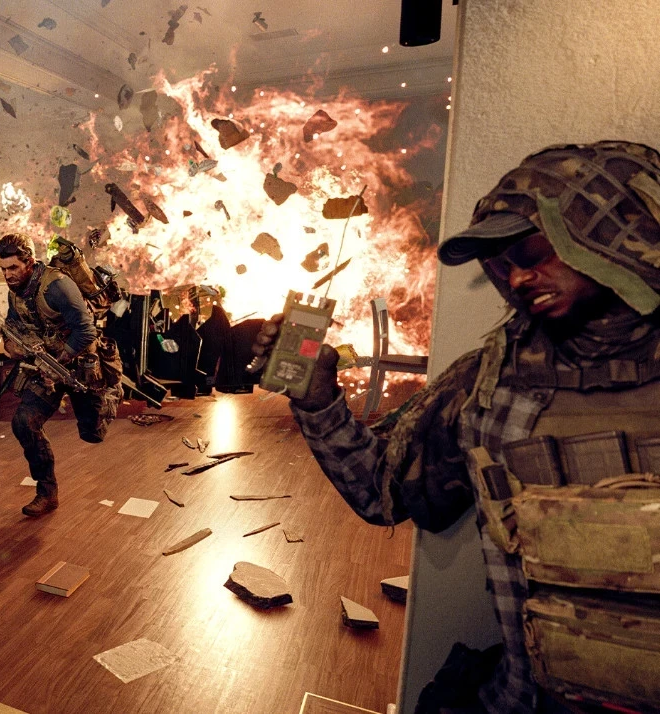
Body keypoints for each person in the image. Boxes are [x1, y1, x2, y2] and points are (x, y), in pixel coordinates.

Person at [251, 141, 660, 713]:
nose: (518, 277)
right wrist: (318, 398)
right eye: (503, 262)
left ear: (617, 240)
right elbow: (383, 491)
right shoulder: (492, 385)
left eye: (534, 251)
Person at [0, 233, 122, 517]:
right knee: (23, 422)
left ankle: (110, 392)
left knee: (93, 433)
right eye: (3, 269)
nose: (8, 274)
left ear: (29, 262)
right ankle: (47, 492)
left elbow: (86, 331)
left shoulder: (57, 286)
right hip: (45, 365)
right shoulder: (15, 291)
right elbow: (14, 325)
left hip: (79, 365)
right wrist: (14, 347)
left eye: (13, 267)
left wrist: (57, 364)